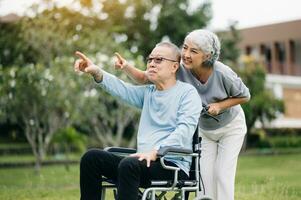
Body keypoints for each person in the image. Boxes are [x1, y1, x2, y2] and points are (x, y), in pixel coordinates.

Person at [114, 29, 251, 200]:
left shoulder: (223, 73)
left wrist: (220, 105)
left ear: (207, 56)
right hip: (205, 130)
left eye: (193, 51)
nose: (185, 54)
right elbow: (144, 78)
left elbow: (245, 96)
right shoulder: (180, 69)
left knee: (222, 174)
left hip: (231, 127)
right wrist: (125, 66)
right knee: (204, 179)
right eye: (185, 48)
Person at [74, 42, 202, 200]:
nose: (152, 64)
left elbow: (184, 131)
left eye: (159, 60)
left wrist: (156, 151)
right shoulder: (149, 92)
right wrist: (97, 72)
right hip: (141, 162)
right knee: (91, 158)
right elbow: (123, 89)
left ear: (174, 67)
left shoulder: (187, 94)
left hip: (171, 164)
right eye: (150, 59)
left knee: (129, 164)